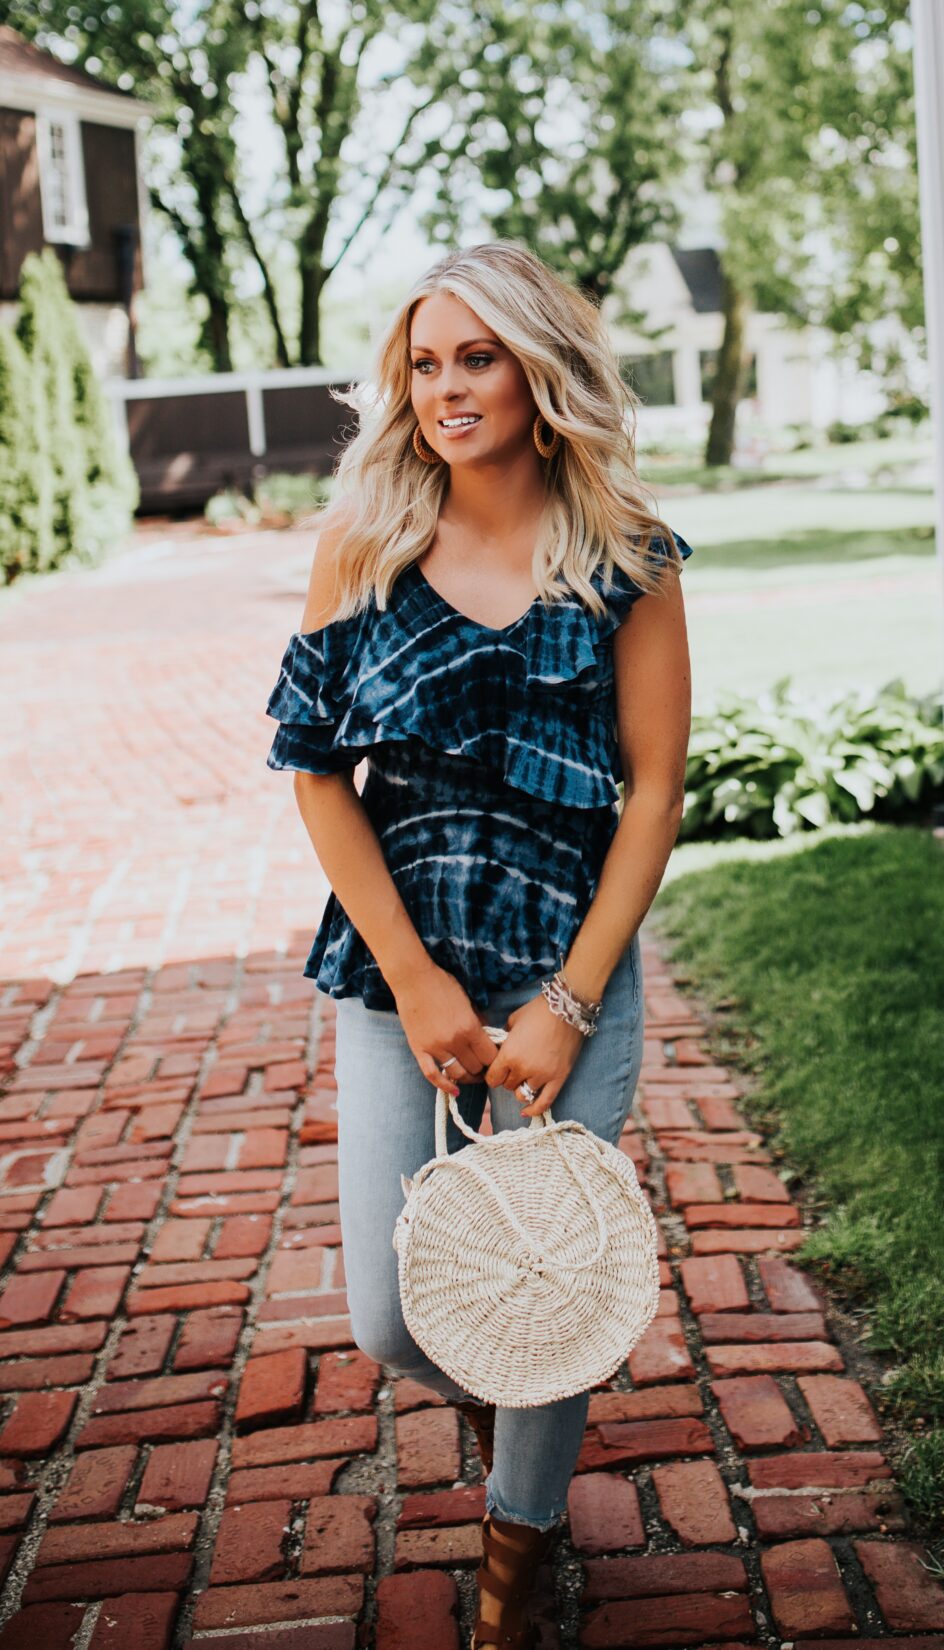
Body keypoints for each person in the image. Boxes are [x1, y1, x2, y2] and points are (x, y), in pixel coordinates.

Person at [263, 240, 693, 1650]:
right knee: (394, 1315)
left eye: (478, 357)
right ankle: (522, 1400)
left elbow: (654, 794)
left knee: (554, 1275)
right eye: (426, 363)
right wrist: (415, 978)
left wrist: (569, 999)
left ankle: (520, 1543)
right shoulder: (367, 542)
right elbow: (315, 768)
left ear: (539, 369)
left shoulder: (628, 553)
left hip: (569, 966)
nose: (447, 388)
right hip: (402, 965)